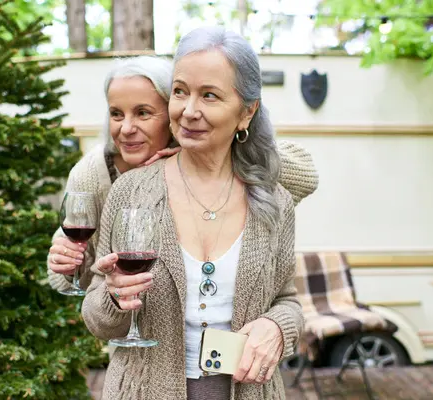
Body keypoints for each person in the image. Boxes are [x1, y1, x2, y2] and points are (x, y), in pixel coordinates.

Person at [81, 26, 310, 400]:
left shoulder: (274, 202)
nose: (189, 111)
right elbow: (98, 320)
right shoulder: (131, 192)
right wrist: (113, 295)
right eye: (180, 92)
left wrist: (278, 326)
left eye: (209, 96)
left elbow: (288, 300)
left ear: (246, 112)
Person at [47, 55, 318, 294]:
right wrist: (66, 261)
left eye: (143, 113)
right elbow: (72, 280)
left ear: (172, 113)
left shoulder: (198, 155)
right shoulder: (93, 175)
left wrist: (215, 151)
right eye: (116, 114)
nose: (126, 128)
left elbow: (305, 174)